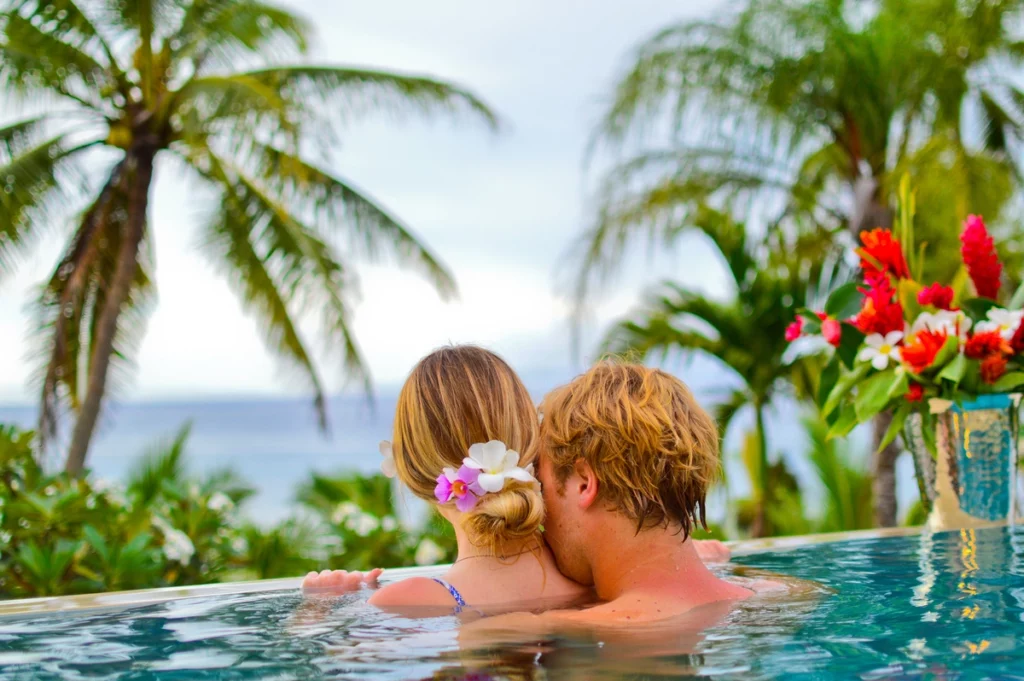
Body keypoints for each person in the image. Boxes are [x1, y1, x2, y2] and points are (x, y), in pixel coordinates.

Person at [301, 346, 730, 613]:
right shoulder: (591, 579)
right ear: (530, 448)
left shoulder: (411, 600)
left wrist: (319, 609)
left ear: (416, 475)